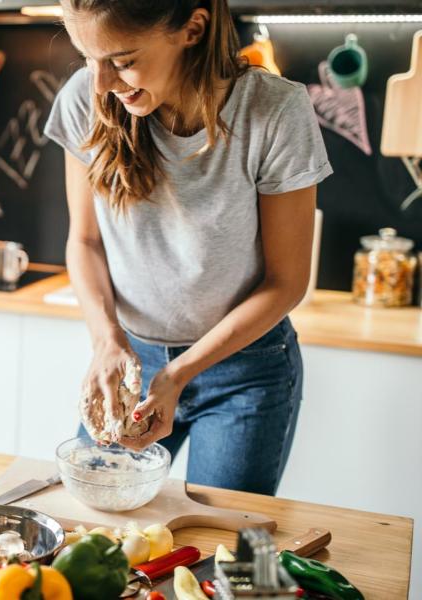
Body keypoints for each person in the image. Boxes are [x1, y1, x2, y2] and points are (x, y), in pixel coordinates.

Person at [43, 0, 332, 495]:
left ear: (192, 29)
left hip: (246, 371)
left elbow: (286, 284)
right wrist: (105, 339)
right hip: (135, 359)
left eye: (123, 60)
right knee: (93, 525)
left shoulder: (274, 111)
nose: (101, 85)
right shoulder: (82, 102)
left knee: (217, 550)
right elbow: (85, 240)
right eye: (88, 60)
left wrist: (180, 373)